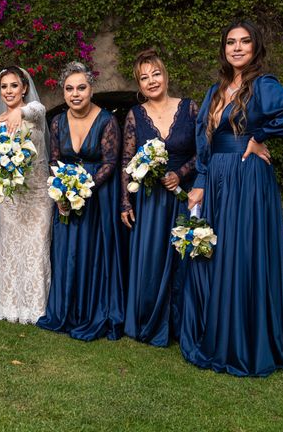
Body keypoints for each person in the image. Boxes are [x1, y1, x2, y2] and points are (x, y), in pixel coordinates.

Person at [181, 20, 283, 376]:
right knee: (216, 254)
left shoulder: (263, 85)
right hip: (219, 179)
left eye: (245, 42)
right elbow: (203, 140)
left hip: (248, 178)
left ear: (255, 47)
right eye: (230, 42)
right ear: (223, 49)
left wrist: (260, 135)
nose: (237, 48)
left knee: (243, 252)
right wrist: (202, 180)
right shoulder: (215, 90)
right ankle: (219, 332)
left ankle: (247, 341)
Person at [36, 61, 126, 341]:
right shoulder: (57, 121)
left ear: (91, 89)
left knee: (91, 251)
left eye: (81, 88)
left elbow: (110, 162)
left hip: (97, 197)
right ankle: (65, 310)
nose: (76, 94)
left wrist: (83, 190)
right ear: (64, 92)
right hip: (65, 196)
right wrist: (63, 193)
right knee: (66, 251)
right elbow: (53, 160)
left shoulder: (107, 120)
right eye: (69, 89)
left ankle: (91, 311)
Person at [120, 50, 198, 346]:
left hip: (183, 197)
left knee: (184, 260)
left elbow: (203, 152)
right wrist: (125, 202)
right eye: (144, 77)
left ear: (166, 75)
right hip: (150, 202)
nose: (151, 81)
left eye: (155, 74)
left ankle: (181, 325)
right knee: (150, 261)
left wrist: (181, 173)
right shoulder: (135, 115)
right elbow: (126, 160)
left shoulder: (190, 108)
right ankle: (148, 320)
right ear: (139, 86)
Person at [0, 66, 52, 324]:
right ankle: (8, 306)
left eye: (14, 85)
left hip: (37, 192)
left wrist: (19, 112)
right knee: (11, 246)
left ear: (24, 88)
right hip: (10, 195)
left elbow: (36, 109)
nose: (9, 91)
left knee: (36, 245)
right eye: (4, 86)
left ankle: (35, 307)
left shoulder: (35, 112)